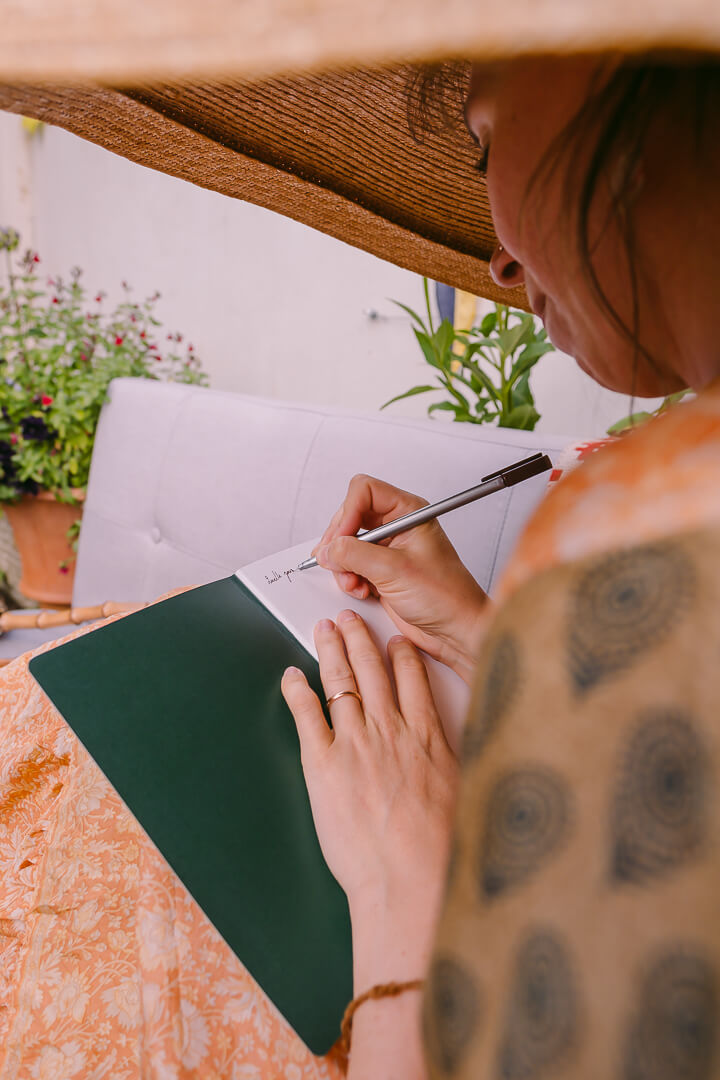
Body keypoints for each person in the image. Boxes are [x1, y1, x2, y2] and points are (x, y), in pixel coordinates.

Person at [2, 52, 719, 1079]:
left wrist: (401, 880)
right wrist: (479, 634)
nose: (498, 265)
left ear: (655, 88)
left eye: (482, 143)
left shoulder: (656, 519)